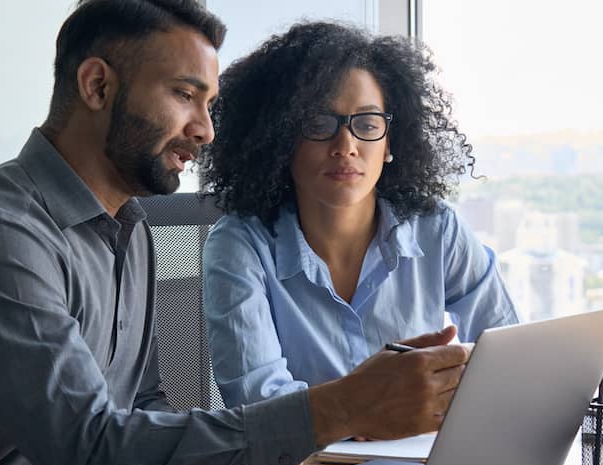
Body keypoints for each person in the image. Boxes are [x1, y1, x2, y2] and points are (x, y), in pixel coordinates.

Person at [0, 2, 470, 465]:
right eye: (184, 94)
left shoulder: (130, 227)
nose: (205, 128)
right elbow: (97, 462)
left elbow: (141, 408)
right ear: (96, 85)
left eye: (209, 104)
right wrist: (340, 407)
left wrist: (261, 449)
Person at [199, 23, 518, 412]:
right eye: (319, 124)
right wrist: (367, 411)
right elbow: (259, 405)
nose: (346, 146)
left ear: (389, 144)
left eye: (367, 125)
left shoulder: (437, 229)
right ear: (281, 139)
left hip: (424, 459)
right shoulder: (239, 245)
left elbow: (507, 355)